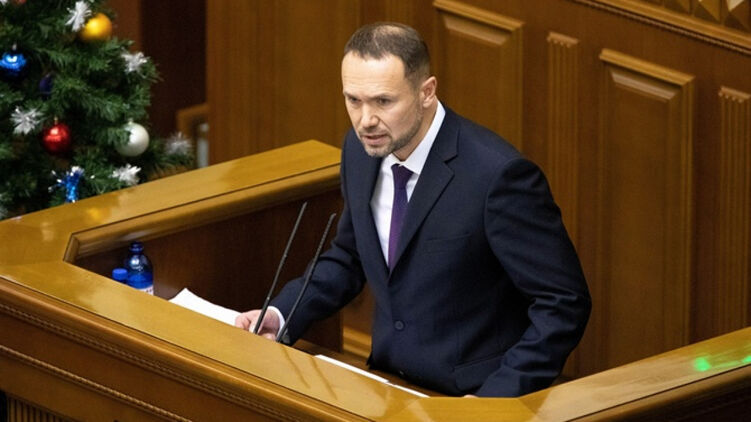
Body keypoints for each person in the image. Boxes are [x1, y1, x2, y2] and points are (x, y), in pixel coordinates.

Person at [235, 22, 591, 398]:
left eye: (383, 102)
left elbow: (563, 302)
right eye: (353, 100)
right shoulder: (359, 151)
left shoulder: (498, 176)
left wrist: (493, 402)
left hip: (469, 397)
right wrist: (281, 314)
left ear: (426, 92)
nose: (365, 120)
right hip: (390, 386)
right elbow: (350, 256)